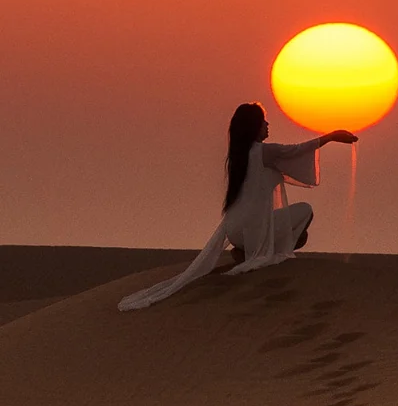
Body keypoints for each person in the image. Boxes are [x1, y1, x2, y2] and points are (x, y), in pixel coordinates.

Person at [118, 102, 357, 311]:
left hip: (235, 229)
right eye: (263, 121)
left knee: (290, 227)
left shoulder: (239, 156)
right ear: (254, 126)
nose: (267, 124)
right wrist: (332, 136)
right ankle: (253, 254)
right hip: (252, 230)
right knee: (305, 212)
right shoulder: (265, 151)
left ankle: (245, 251)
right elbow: (297, 150)